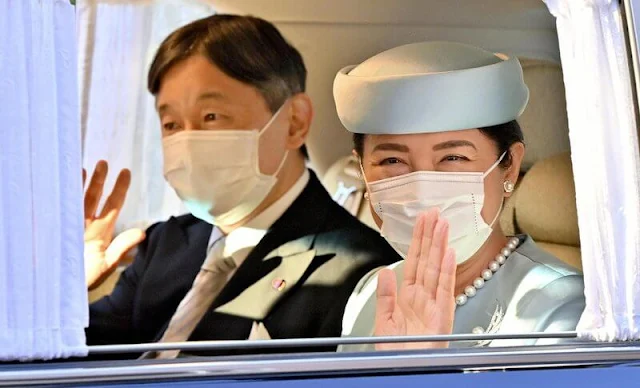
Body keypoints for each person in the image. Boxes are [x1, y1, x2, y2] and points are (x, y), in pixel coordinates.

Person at [83, 14, 400, 359]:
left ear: (294, 122)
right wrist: (66, 290)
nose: (187, 142)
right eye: (171, 123)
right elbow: (81, 357)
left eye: (211, 116)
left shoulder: (362, 272)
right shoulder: (166, 242)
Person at [332, 41, 586, 351]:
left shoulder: (561, 310)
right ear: (361, 170)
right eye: (392, 161)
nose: (422, 190)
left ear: (509, 166)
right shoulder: (371, 293)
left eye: (453, 158)